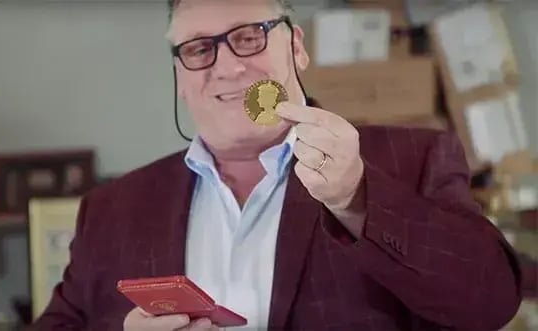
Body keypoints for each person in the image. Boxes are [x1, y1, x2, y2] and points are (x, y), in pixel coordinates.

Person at [31, 0, 522, 330]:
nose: (227, 67)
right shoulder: (111, 209)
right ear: (180, 76)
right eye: (199, 49)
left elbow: (491, 302)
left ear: (297, 47)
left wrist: (358, 197)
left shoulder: (414, 159)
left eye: (249, 37)